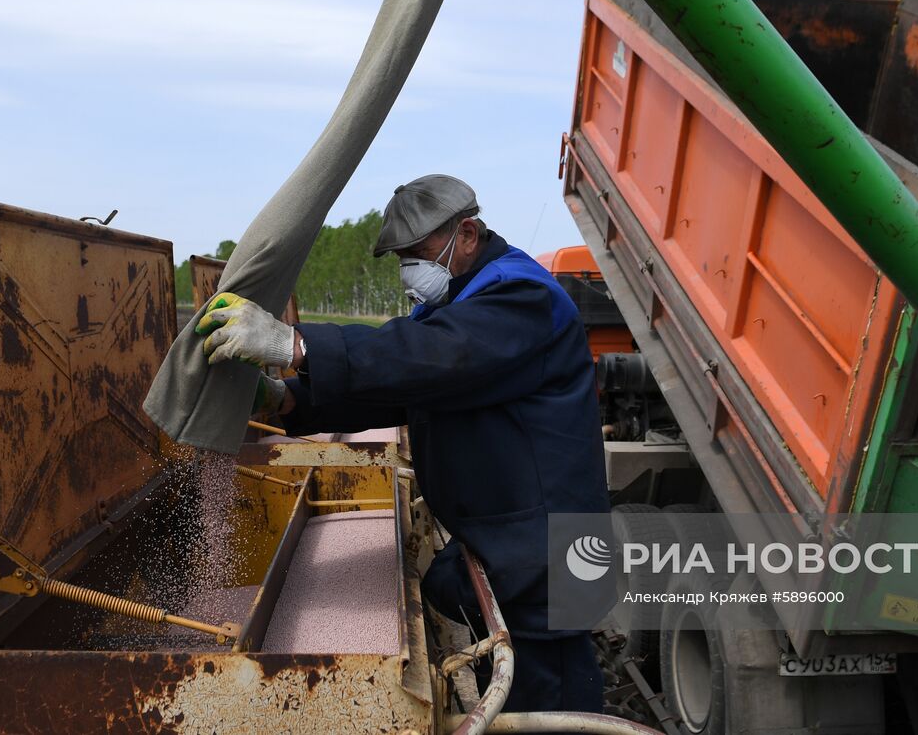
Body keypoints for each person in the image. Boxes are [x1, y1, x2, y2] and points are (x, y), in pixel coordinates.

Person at [196, 174, 611, 715]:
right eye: (400, 257)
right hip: (518, 537)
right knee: (508, 675)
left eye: (416, 253)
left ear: (466, 233)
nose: (407, 269)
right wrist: (291, 401)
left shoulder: (521, 296)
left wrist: (293, 343)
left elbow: (429, 358)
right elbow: (412, 389)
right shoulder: (463, 299)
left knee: (552, 696)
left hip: (553, 546)